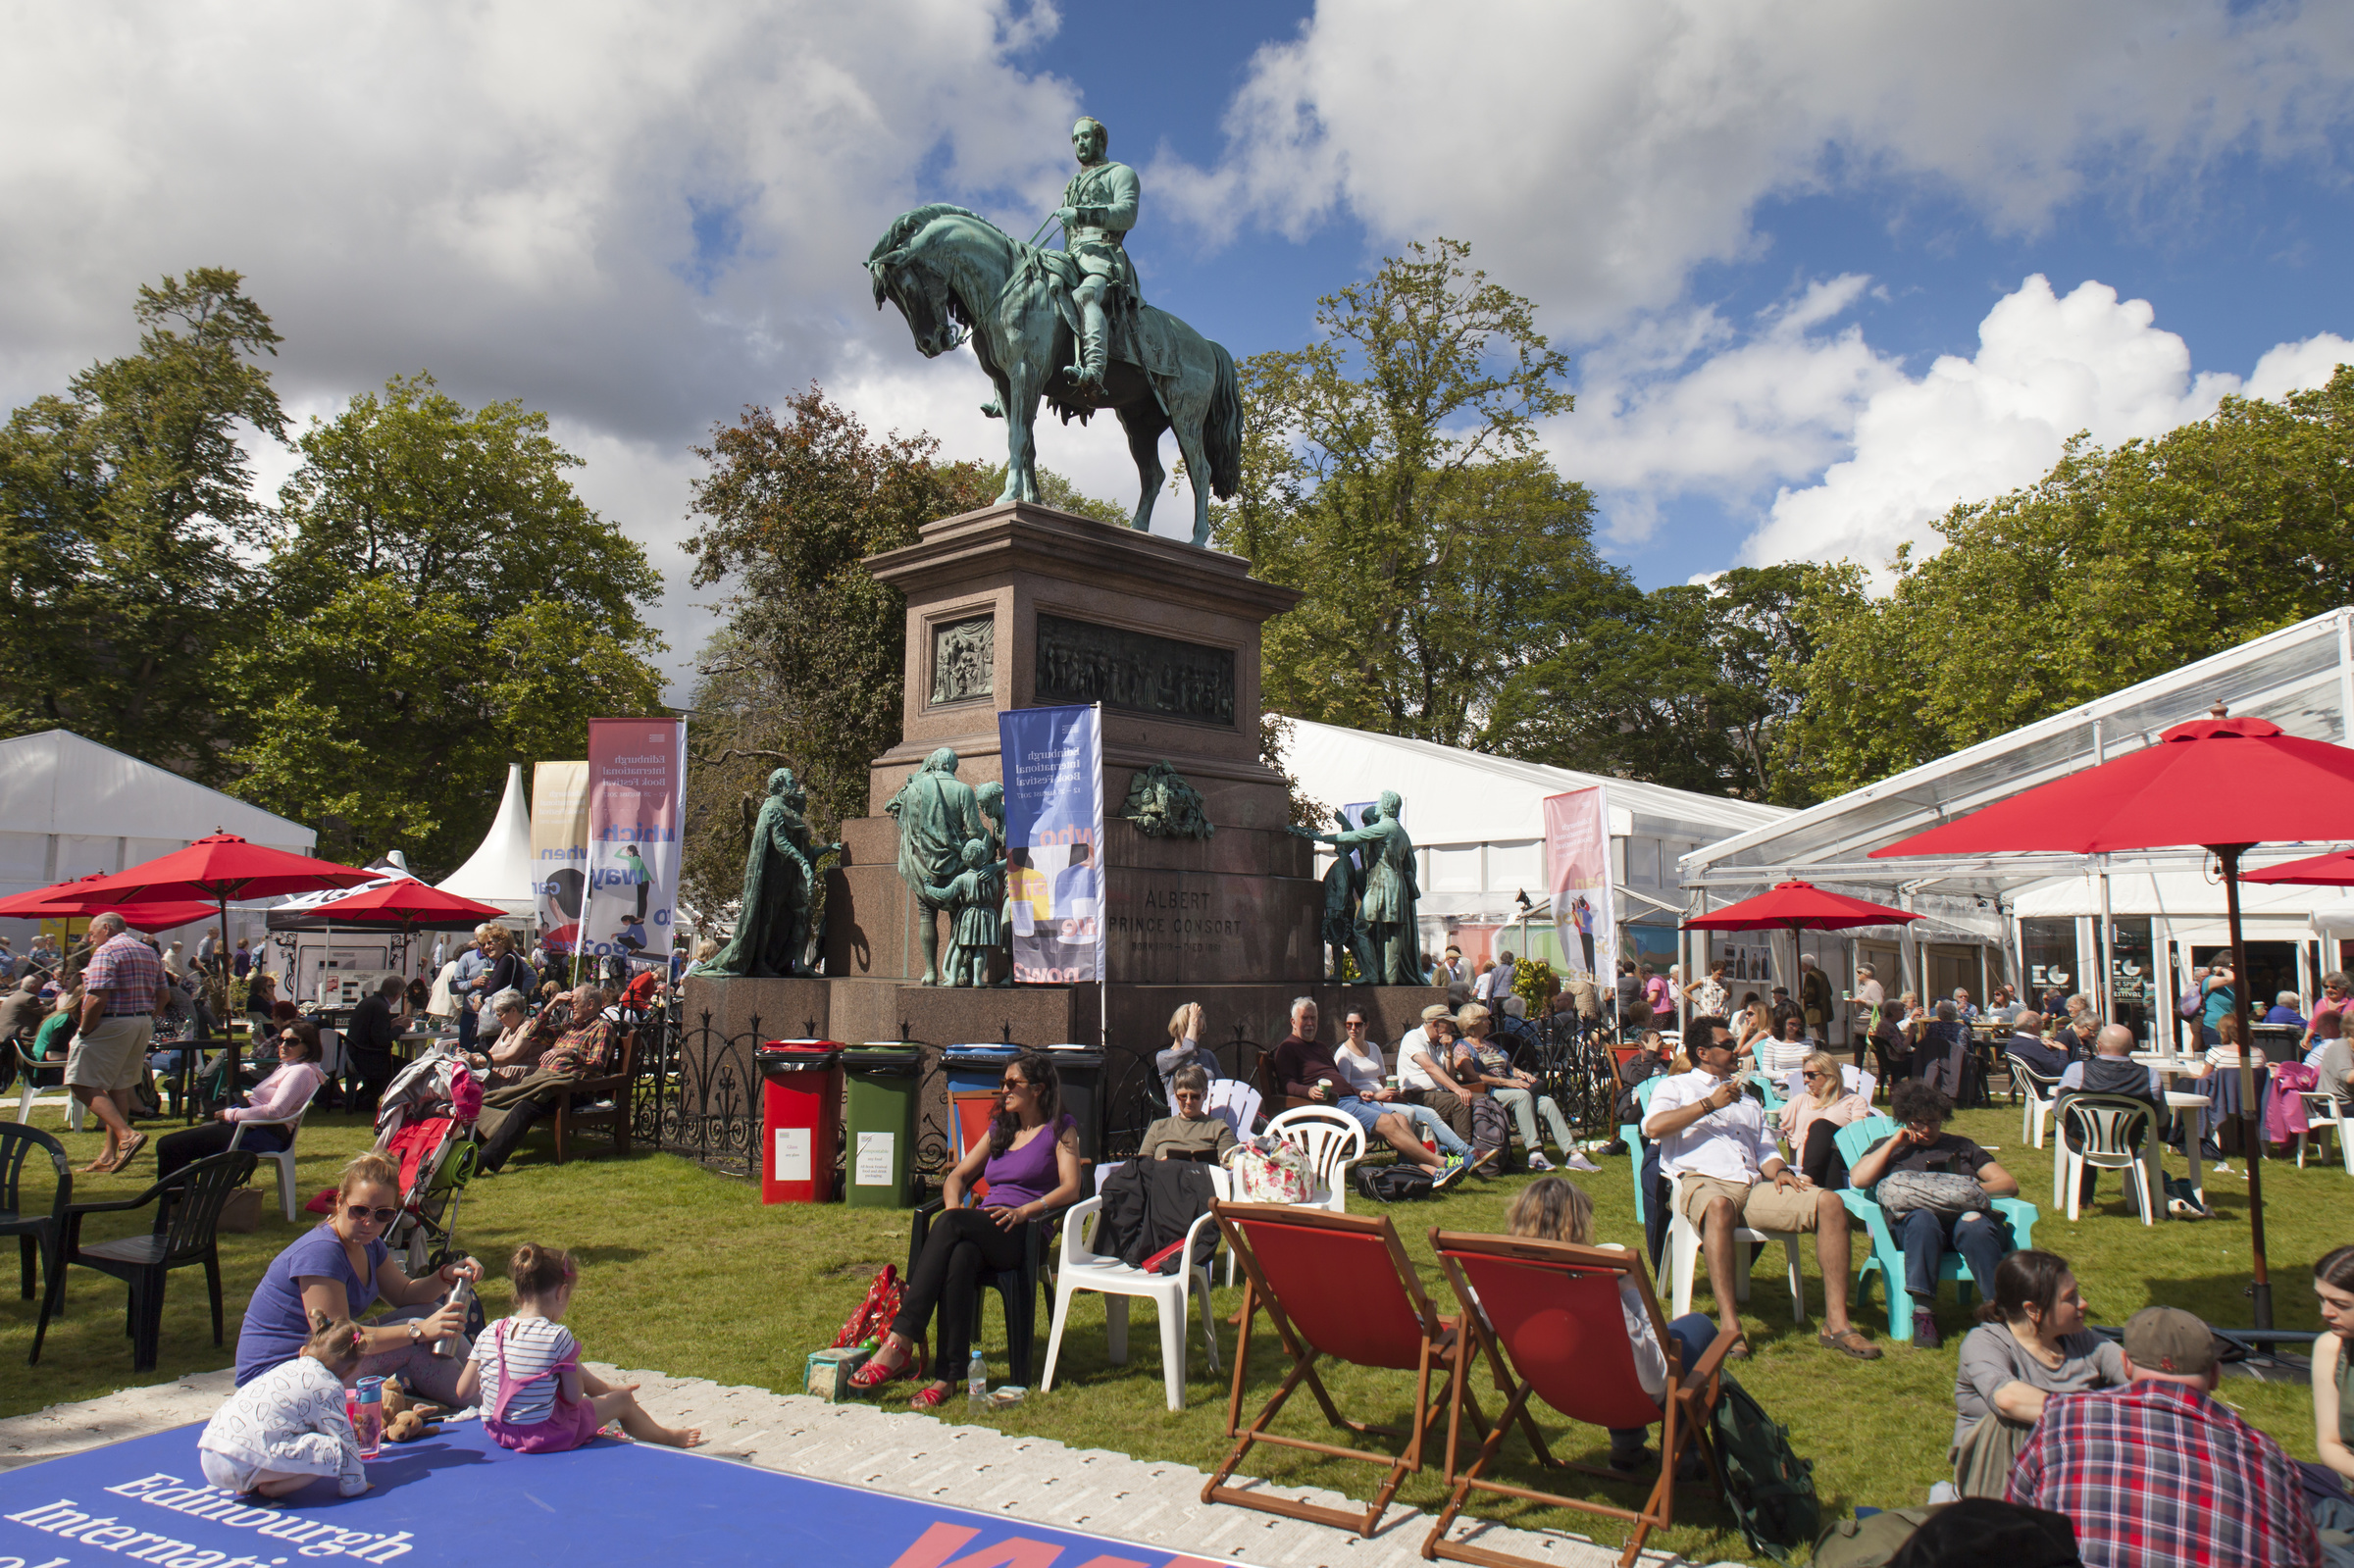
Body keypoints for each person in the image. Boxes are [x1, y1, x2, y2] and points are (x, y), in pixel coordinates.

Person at [1641, 1014, 1880, 1360]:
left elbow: (1765, 1149)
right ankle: (1729, 1327)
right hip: (1701, 1182)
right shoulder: (1675, 1087)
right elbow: (1654, 1127)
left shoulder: (1748, 1099)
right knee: (1721, 1207)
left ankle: (1836, 1323)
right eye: (1727, 1045)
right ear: (1703, 1053)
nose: (1736, 1049)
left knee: (1829, 1203)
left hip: (1752, 1187)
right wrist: (1709, 1104)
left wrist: (1780, 1169)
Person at [854, 1051, 1085, 1407]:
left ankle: (900, 1340)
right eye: (1001, 1083)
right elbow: (957, 1177)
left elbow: (1071, 1187)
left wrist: (1026, 1211)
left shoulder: (1060, 1128)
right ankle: (948, 1378)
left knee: (954, 1231)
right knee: (960, 1255)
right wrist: (953, 1214)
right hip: (981, 1227)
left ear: (1038, 1089)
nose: (1003, 1090)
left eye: (1012, 1084)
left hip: (1022, 1232)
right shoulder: (1001, 1129)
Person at [2007, 1304, 2319, 1568]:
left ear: (2126, 1364)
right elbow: (2309, 1555)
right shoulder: (2268, 1457)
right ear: (2215, 1374)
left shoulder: (2064, 1415)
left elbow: (2012, 1516)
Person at [1506, 1177, 1719, 1476]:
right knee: (1698, 1326)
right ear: (1577, 1229)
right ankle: (1683, 1457)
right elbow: (1655, 1375)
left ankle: (1627, 1449)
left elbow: (1475, 1313)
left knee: (1607, 1357)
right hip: (1624, 1393)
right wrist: (1630, 1290)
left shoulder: (1503, 1282)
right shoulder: (1594, 1291)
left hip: (1557, 1391)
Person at [234, 1150, 482, 1403]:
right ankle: (486, 1405)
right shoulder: (321, 1252)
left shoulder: (368, 1244)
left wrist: (445, 1275)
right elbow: (338, 1339)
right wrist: (417, 1331)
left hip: (316, 1364)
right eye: (360, 1210)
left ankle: (491, 1386)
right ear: (340, 1201)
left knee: (429, 1310)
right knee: (415, 1338)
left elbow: (406, 1294)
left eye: (383, 1214)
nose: (369, 1222)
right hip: (274, 1383)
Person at [456, 1241, 701, 1451]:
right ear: (561, 1292)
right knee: (623, 1401)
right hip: (545, 1435)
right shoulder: (558, 1336)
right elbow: (574, 1397)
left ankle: (604, 1390)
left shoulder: (490, 1331)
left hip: (500, 1432)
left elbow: (463, 1390)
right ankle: (669, 1438)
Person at [1846, 1080, 2020, 1348]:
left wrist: (1960, 1191)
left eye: (1934, 1121)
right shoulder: (1892, 1147)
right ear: (1904, 1119)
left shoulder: (1961, 1147)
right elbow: (1858, 1179)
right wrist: (1893, 1143)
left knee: (1973, 1223)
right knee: (1923, 1218)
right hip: (1915, 1231)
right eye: (1917, 1122)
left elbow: (2008, 1184)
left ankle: (1997, 1313)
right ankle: (1923, 1314)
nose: (1926, 1129)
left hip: (1963, 1223)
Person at [1949, 1250, 2127, 1498]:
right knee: (2013, 1422)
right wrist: (2100, 1414)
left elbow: (2139, 1376)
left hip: (2068, 1474)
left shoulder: (2083, 1340)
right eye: (2071, 1297)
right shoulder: (1985, 1342)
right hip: (1994, 1482)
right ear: (2032, 1310)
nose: (2083, 1303)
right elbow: (2008, 1399)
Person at [1274, 996, 1461, 1183]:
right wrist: (1308, 1092)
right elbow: (1287, 1084)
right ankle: (1441, 1163)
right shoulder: (1288, 1048)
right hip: (1331, 1106)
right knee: (1388, 1121)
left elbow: (1338, 1080)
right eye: (1305, 1018)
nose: (1310, 1023)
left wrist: (1357, 1092)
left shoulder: (1320, 1047)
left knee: (1401, 1118)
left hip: (1351, 1099)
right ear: (1293, 1021)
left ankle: (1426, 1172)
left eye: (1313, 1018)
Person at [200, 1310, 371, 1500]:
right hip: (241, 1462)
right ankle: (272, 1489)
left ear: (304, 1351)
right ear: (348, 1372)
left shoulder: (285, 1369)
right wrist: (356, 1485)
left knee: (276, 1431)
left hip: (211, 1453)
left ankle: (249, 1482)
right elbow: (346, 1442)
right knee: (333, 1451)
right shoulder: (328, 1387)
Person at [155, 1019, 325, 1182]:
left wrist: (231, 1114)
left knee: (169, 1146)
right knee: (173, 1145)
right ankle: (185, 1198)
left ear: (308, 1047)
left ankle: (179, 1202)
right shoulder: (290, 1067)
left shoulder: (300, 1072)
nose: (283, 1046)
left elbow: (275, 1111)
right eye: (281, 1040)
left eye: (292, 1042)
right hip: (251, 1127)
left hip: (259, 1133)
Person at [67, 911, 171, 1174]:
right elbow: (164, 995)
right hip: (141, 1023)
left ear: (105, 928)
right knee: (119, 1088)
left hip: (112, 1022)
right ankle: (109, 1155)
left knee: (79, 1083)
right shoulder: (149, 952)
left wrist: (84, 1030)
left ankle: (126, 1135)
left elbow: (97, 997)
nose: (91, 938)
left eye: (92, 933)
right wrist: (148, 1016)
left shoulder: (106, 951)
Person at [474, 984, 616, 1173]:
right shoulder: (569, 1026)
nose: (570, 1007)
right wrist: (550, 1006)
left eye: (573, 1003)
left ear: (590, 1004)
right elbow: (531, 1034)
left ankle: (484, 1160)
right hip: (545, 1083)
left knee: (523, 1106)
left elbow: (598, 1066)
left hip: (571, 1089)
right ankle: (463, 1145)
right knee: (501, 1097)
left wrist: (571, 1054)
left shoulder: (602, 1028)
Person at [1454, 1002, 1584, 1171]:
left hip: (1509, 1088)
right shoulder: (1462, 1047)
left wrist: (1520, 1073)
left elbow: (1509, 1067)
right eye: (1485, 1019)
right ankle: (1535, 1152)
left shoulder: (1490, 1045)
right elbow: (1472, 1076)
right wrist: (1507, 1082)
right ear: (1473, 1023)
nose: (1489, 1022)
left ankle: (1573, 1153)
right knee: (1522, 1096)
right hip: (1490, 1092)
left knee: (1547, 1102)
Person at [1332, 1007, 1470, 1159]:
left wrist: (1390, 1092)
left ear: (1367, 1025)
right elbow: (1346, 1091)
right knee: (1410, 1113)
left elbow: (1382, 1080)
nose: (1353, 1029)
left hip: (1384, 1101)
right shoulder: (1343, 1054)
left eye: (1357, 1024)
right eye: (1348, 1025)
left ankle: (1464, 1151)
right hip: (1366, 1104)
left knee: (1430, 1114)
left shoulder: (1374, 1047)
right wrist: (1377, 1096)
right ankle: (1415, 1160)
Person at [2308, 1244, 2354, 1557]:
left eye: (2340, 1304)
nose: (2325, 1312)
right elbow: (2329, 1443)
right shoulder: (2330, 1348)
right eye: (2321, 1299)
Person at [1777, 1050, 1872, 1189]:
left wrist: (1828, 1141)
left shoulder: (1854, 1101)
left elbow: (1858, 1136)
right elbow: (1777, 1128)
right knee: (1829, 1156)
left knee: (1821, 1126)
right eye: (1804, 1075)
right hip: (1818, 1161)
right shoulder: (1800, 1100)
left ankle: (1807, 1178)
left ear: (1829, 1075)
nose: (1806, 1080)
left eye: (1811, 1075)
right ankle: (1832, 1201)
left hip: (1844, 1159)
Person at [1397, 1002, 1475, 1146]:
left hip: (1440, 1095)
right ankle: (1464, 1153)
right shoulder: (1413, 1037)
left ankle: (1489, 1150)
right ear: (1435, 1024)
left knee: (1481, 1100)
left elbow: (1449, 1077)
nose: (1452, 1028)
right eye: (1449, 1024)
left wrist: (1449, 1051)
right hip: (1418, 1096)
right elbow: (1430, 1067)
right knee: (1459, 1102)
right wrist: (1457, 1089)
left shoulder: (1439, 1044)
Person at [1138, 1063, 1238, 1162]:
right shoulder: (1158, 1127)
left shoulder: (1218, 1128)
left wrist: (1196, 1166)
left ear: (1205, 1095)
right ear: (1176, 1095)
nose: (1188, 1101)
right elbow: (1141, 1166)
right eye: (1183, 1096)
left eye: (1195, 1096)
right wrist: (1161, 1165)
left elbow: (1228, 1167)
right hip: (1163, 1176)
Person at [342, 974, 407, 1119]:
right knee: (407, 1067)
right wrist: (401, 1027)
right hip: (369, 1057)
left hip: (356, 1052)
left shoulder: (370, 1002)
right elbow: (382, 1039)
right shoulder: (380, 1007)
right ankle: (366, 1100)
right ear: (397, 995)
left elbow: (373, 1031)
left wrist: (392, 1024)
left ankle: (362, 1099)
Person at [1153, 1000, 1219, 1106]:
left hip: (1211, 1115)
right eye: (1192, 1030)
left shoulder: (1208, 1056)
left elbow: (1224, 1087)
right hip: (1182, 1116)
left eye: (1199, 1032)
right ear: (1178, 1028)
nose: (1196, 1037)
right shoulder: (1164, 1057)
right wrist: (1193, 1021)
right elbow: (1188, 1050)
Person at [1919, 999, 1972, 1099]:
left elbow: (1927, 1043)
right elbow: (1969, 1049)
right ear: (1955, 1013)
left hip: (1935, 1062)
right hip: (1957, 1065)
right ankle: (1975, 1095)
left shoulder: (1933, 1026)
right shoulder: (1962, 1028)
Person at [2003, 1011, 2069, 1079]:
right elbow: (2060, 1070)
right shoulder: (2033, 1046)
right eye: (2041, 1023)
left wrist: (2045, 1048)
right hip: (2049, 1084)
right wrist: (2063, 1049)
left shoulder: (2012, 1043)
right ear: (2034, 1026)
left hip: (2030, 1084)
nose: (2042, 1026)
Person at [0, 973, 43, 1048]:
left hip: (4, 1035)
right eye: (40, 987)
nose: (41, 990)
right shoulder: (29, 998)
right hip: (15, 1038)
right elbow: (46, 1011)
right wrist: (59, 1000)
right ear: (33, 986)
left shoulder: (15, 995)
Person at [1800, 954, 1833, 1037]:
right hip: (1824, 1011)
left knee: (1816, 1037)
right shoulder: (1822, 973)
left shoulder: (1810, 975)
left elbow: (1810, 994)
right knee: (1823, 1036)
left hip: (1814, 1013)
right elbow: (1830, 991)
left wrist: (1802, 997)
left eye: (1801, 965)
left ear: (1805, 964)